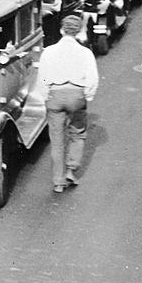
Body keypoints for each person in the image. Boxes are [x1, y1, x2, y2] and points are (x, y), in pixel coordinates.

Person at [38, 15, 99, 194]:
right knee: (78, 134)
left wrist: (45, 96)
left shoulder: (48, 51)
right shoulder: (85, 53)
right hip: (76, 95)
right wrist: (87, 96)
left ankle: (58, 182)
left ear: (61, 30)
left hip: (55, 95)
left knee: (56, 140)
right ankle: (71, 170)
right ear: (79, 31)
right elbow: (92, 78)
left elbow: (42, 77)